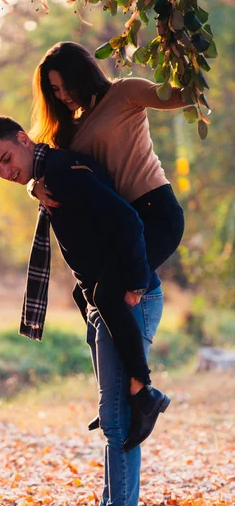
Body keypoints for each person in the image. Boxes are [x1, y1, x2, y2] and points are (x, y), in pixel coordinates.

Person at [0, 115, 169, 506]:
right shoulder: (45, 176)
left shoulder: (60, 171)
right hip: (104, 305)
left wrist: (136, 284)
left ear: (24, 140)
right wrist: (30, 186)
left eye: (7, 159)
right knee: (111, 414)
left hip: (129, 298)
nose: (6, 172)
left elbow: (127, 220)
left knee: (119, 418)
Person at [30, 41, 189, 433]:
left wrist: (182, 50)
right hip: (123, 225)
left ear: (82, 73)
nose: (62, 95)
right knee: (85, 297)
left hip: (157, 214)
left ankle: (141, 390)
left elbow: (181, 96)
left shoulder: (125, 92)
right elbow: (42, 164)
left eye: (64, 85)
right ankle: (113, 392)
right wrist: (33, 186)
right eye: (54, 91)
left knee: (105, 294)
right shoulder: (71, 129)